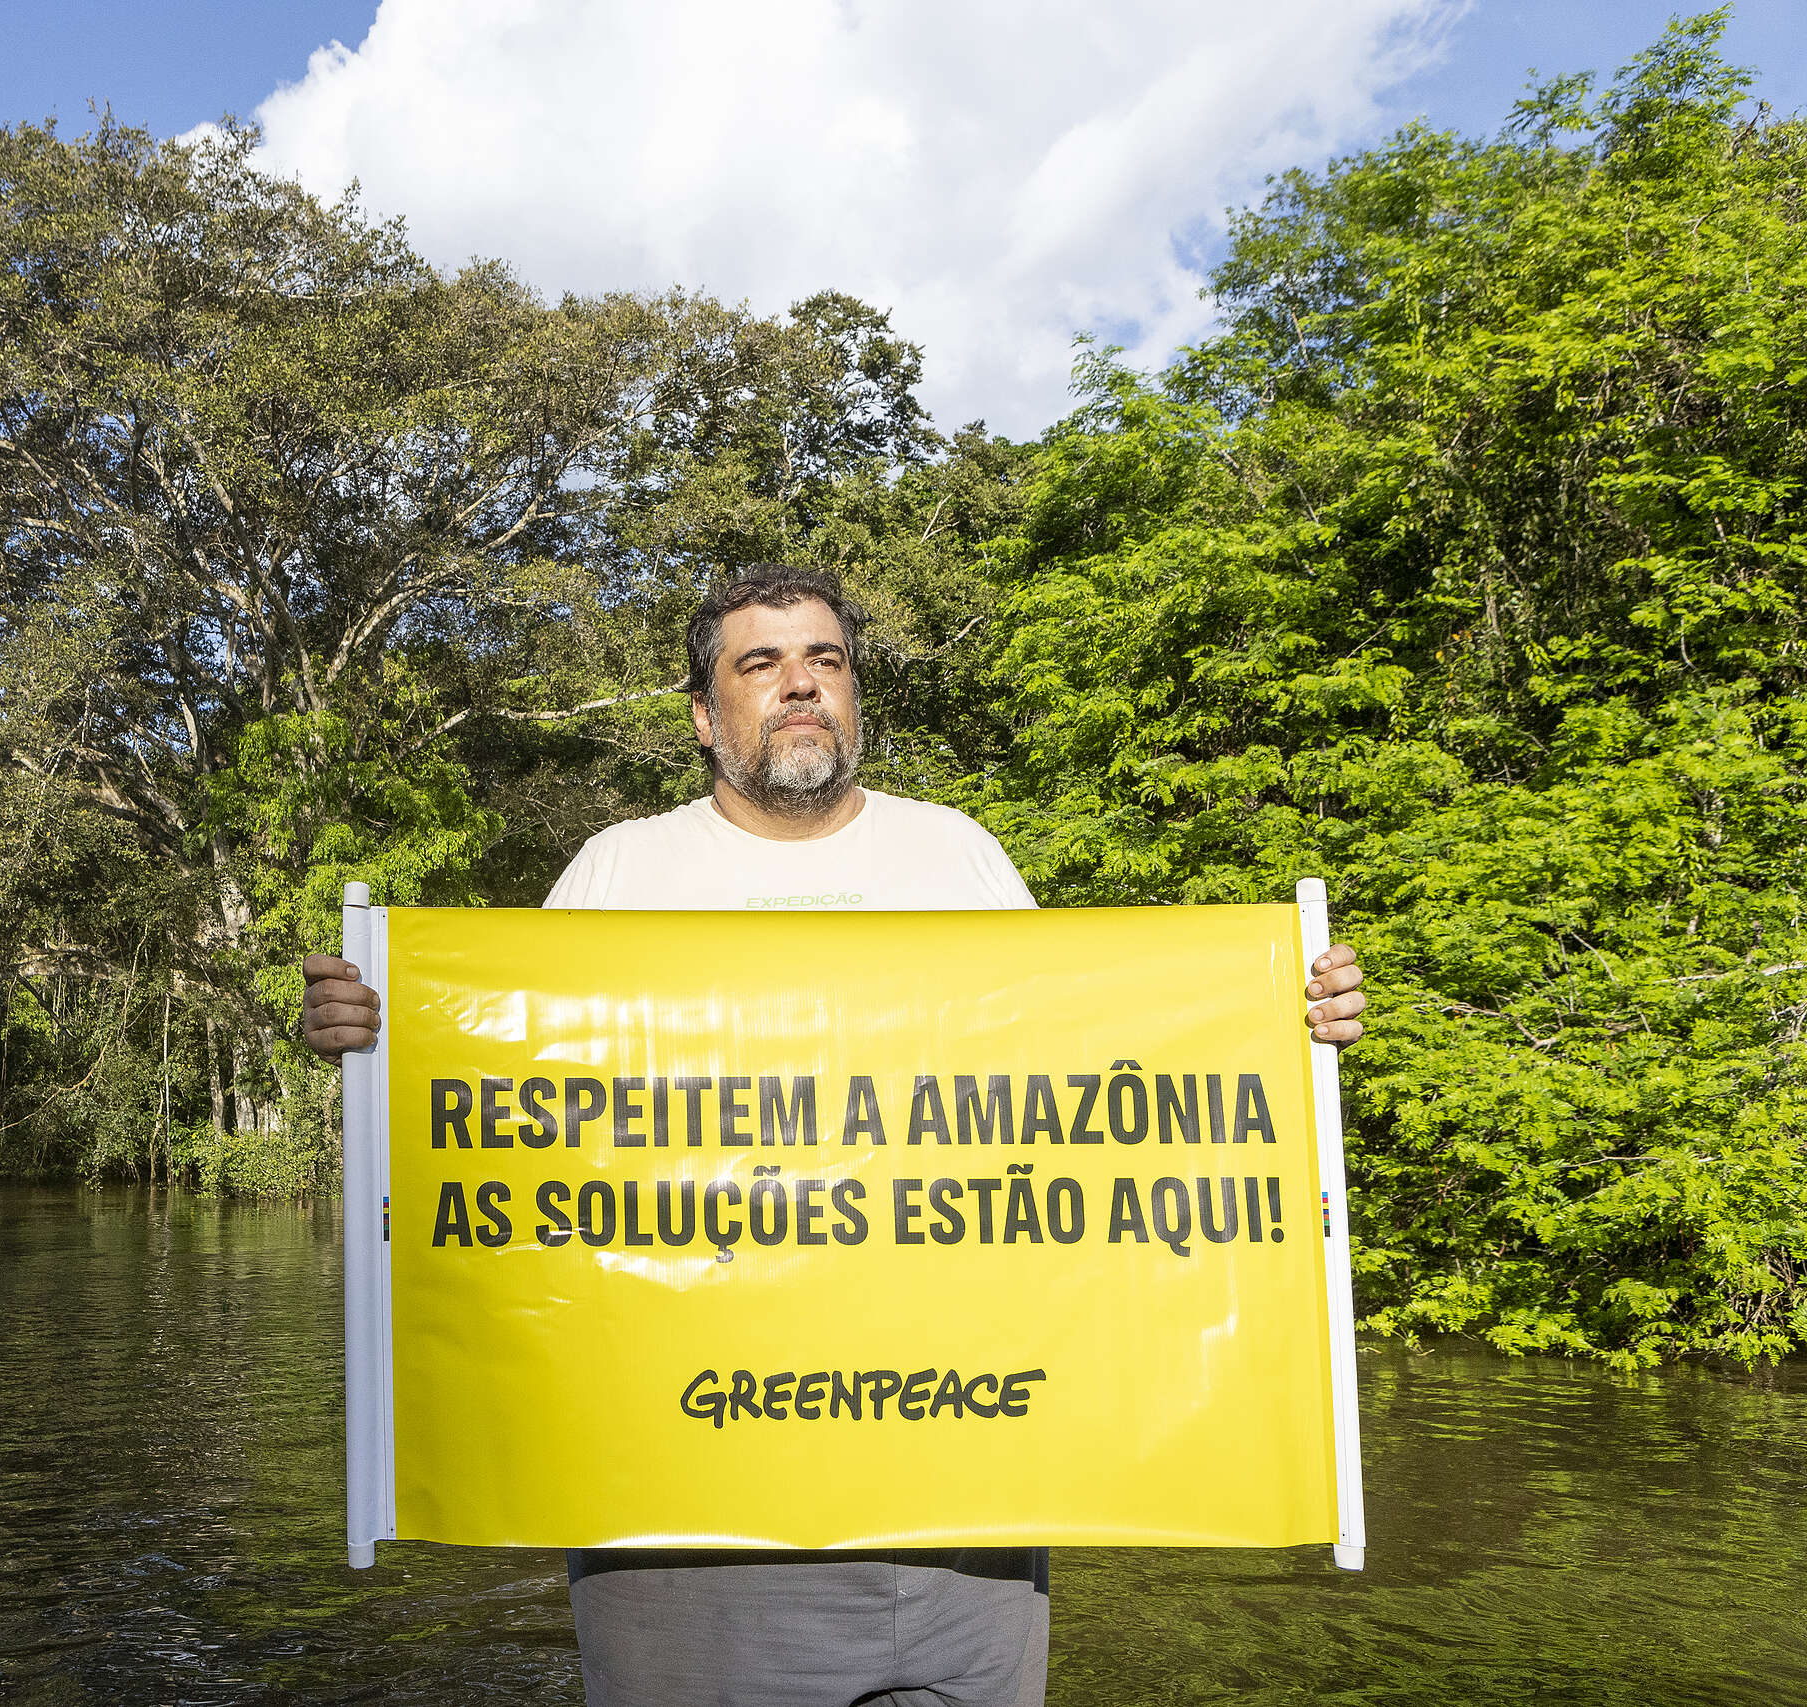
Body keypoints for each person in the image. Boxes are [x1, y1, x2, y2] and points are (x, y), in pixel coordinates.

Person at [300, 564, 1369, 1707]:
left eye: (825, 661)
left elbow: (1081, 1089)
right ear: (707, 716)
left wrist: (1277, 1024)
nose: (799, 683)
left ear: (854, 697)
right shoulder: (621, 868)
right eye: (758, 664)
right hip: (686, 1512)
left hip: (963, 1497)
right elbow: (523, 1122)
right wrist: (378, 1043)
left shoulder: (956, 854)